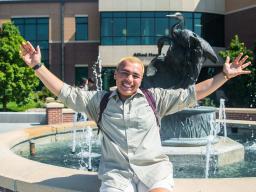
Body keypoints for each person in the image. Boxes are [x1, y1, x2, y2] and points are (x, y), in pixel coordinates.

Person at [20, 41, 251, 192]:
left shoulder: (155, 99)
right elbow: (64, 92)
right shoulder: (98, 101)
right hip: (116, 175)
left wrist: (224, 76)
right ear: (116, 75)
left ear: (141, 80)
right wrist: (37, 65)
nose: (129, 79)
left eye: (135, 75)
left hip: (153, 170)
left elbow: (192, 94)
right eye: (124, 73)